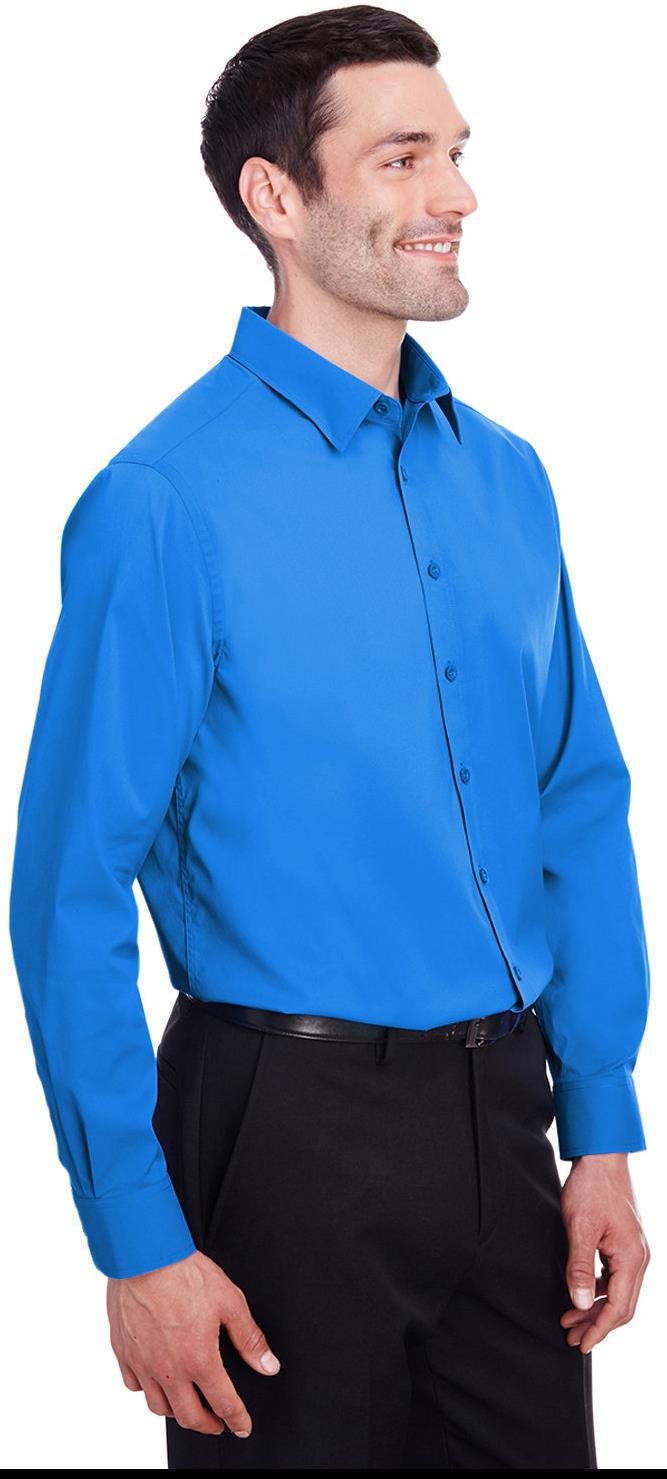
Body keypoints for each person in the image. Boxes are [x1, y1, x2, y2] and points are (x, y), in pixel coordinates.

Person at [9, 3, 651, 1469]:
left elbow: (576, 803)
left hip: (510, 1120)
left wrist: (603, 1125)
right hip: (280, 1134)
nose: (458, 195)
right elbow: (67, 891)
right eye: (403, 158)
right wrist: (137, 1242)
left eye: (460, 154)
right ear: (276, 198)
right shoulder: (163, 503)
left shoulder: (511, 479)